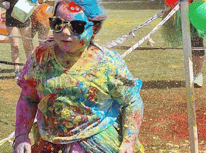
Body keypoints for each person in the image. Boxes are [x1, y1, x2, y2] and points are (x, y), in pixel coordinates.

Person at [13, 0, 144, 152]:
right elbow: (28, 99)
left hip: (95, 143)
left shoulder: (107, 63)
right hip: (50, 142)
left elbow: (132, 101)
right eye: (57, 24)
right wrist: (21, 135)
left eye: (77, 27)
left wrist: (129, 141)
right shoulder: (40, 57)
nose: (65, 32)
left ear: (94, 28)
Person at [1, 0, 33, 79]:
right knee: (15, 46)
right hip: (10, 19)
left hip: (24, 18)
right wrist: (3, 4)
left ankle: (31, 69)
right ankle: (17, 71)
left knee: (28, 45)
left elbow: (35, 1)